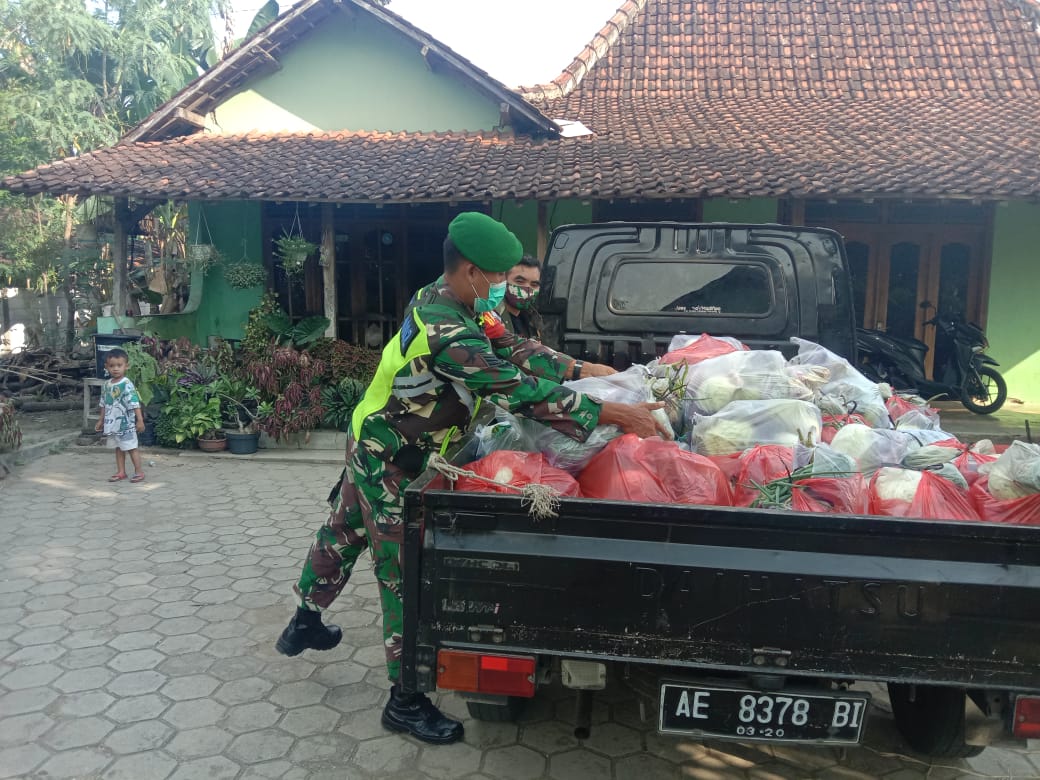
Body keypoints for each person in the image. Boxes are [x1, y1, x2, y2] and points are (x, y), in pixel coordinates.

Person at [275, 212, 667, 745]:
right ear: (471, 271)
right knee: (404, 574)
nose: (507, 287)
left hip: (372, 438)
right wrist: (617, 416)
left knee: (343, 531)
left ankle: (304, 620)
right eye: (501, 277)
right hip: (396, 459)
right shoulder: (448, 330)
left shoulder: (457, 301)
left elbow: (511, 347)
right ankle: (405, 699)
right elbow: (514, 387)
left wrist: (581, 371)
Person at [499, 254, 616, 380]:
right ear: (503, 281)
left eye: (534, 284)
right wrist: (581, 369)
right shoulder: (492, 318)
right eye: (520, 281)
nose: (527, 288)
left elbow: (544, 352)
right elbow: (519, 354)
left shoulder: (534, 318)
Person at [94, 349, 145, 483]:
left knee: (131, 447)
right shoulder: (106, 385)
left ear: (126, 366)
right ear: (106, 367)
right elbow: (103, 403)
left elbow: (134, 403)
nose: (115, 369)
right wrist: (101, 420)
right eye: (112, 366)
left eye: (119, 365)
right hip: (112, 425)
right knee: (118, 448)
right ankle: (121, 472)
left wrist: (139, 420)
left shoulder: (127, 384)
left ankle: (139, 471)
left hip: (126, 424)